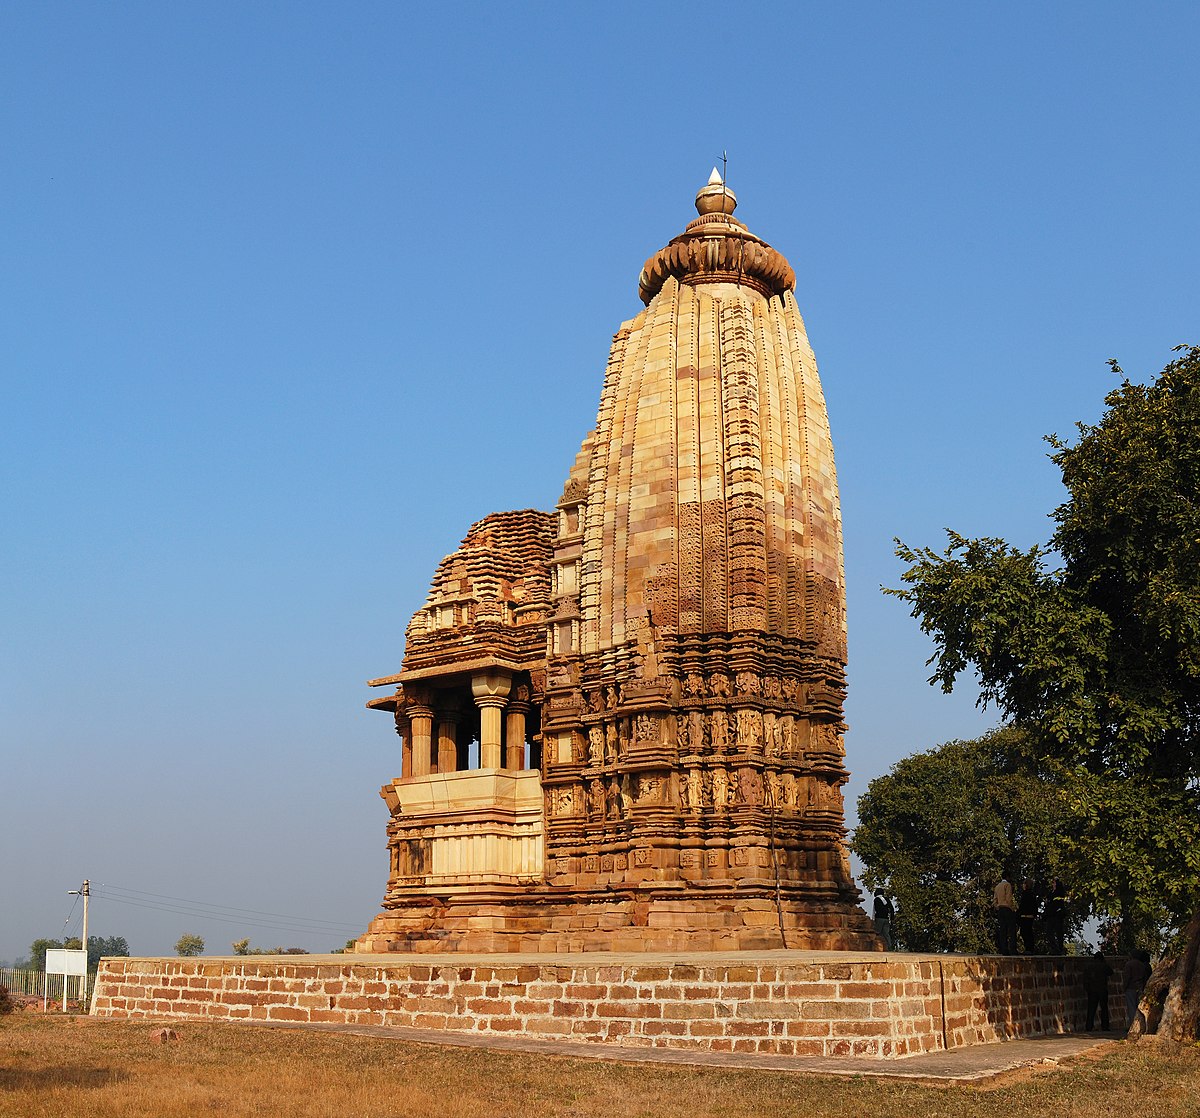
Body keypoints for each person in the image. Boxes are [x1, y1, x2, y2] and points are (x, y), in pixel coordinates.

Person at [1084, 948, 1113, 1031]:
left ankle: (1089, 1026)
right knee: (1104, 1008)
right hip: (1102, 989)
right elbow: (1111, 972)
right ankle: (1105, 1026)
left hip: (1092, 990)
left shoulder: (1089, 966)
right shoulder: (1104, 965)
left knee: (1091, 1009)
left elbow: (1085, 978)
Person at [1122, 949, 1152, 1029]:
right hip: (1139, 988)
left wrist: (1124, 987)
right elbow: (1145, 977)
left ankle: (1133, 1026)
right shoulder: (1142, 965)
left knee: (1131, 1008)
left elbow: (1127, 977)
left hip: (1131, 988)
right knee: (1139, 1007)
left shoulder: (1129, 964)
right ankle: (1141, 1025)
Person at [993, 874, 1016, 955]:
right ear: (1007, 877)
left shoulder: (997, 886)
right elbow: (1009, 898)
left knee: (1002, 930)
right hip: (1007, 908)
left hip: (1000, 909)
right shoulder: (1007, 885)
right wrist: (1012, 908)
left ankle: (1004, 949)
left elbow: (995, 899)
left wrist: (997, 907)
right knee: (1011, 929)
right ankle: (1013, 949)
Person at [1043, 878, 1067, 954]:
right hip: (1050, 915)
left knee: (1059, 933)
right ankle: (1054, 948)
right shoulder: (1050, 893)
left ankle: (1059, 949)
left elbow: (1057, 903)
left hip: (1057, 915)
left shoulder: (1059, 893)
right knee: (1049, 932)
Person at [1017, 879, 1039, 954]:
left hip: (1025, 916)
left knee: (1025, 932)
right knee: (1028, 932)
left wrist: (1018, 914)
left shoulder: (1025, 894)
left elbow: (1022, 906)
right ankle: (1029, 948)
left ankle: (1029, 948)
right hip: (1030, 916)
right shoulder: (1032, 894)